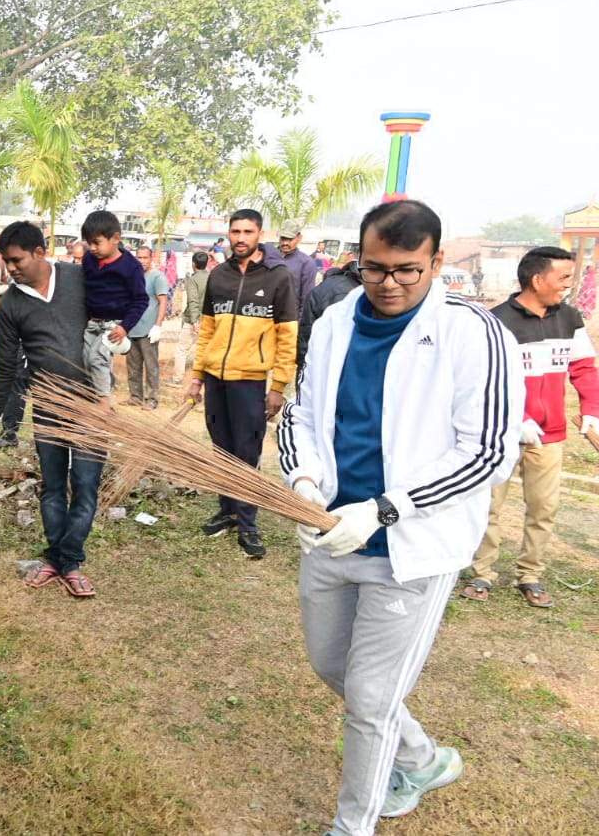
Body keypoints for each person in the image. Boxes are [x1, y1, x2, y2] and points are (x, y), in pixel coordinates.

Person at [276, 199, 522, 836]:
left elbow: (488, 451)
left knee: (371, 701)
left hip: (412, 549)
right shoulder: (335, 320)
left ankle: (352, 824)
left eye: (407, 270)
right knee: (332, 667)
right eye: (375, 267)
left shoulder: (475, 333)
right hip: (332, 535)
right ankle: (422, 759)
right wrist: (304, 483)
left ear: (435, 263)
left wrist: (386, 509)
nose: (389, 283)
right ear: (357, 260)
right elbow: (300, 414)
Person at [462, 247, 599, 608]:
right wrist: (516, 419)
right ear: (538, 280)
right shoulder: (496, 322)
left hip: (550, 436)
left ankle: (530, 575)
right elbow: (483, 381)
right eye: (563, 277)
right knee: (489, 505)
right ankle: (482, 572)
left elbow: (583, 367)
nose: (568, 285)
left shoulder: (569, 318)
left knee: (543, 508)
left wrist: (592, 409)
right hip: (501, 435)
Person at [0, 221, 103, 598]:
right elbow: (4, 365)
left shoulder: (79, 279)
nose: (11, 268)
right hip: (48, 403)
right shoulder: (12, 304)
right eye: (6, 261)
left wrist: (123, 334)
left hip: (91, 404)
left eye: (17, 260)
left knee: (85, 484)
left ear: (40, 253)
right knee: (52, 485)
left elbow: (117, 305)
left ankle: (66, 560)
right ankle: (63, 560)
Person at [185, 208, 296, 559]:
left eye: (248, 232)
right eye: (235, 231)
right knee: (221, 448)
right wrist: (197, 376)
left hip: (250, 381)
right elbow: (207, 331)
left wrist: (278, 386)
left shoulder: (278, 277)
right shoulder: (218, 275)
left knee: (247, 452)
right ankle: (227, 510)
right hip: (216, 378)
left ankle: (248, 522)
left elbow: (287, 336)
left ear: (260, 234)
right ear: (229, 234)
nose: (241, 238)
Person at [80, 210, 149, 409]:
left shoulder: (131, 267)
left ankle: (104, 402)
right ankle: (99, 397)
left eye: (97, 242)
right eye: (89, 243)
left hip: (114, 326)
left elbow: (141, 300)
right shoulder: (88, 260)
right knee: (86, 361)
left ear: (116, 238)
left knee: (96, 358)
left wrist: (125, 327)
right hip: (93, 323)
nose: (92, 248)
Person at [297, 251, 361, 370]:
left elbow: (306, 333)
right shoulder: (355, 292)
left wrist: (302, 366)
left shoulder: (326, 285)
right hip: (334, 367)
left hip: (315, 363)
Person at [126, 245, 169, 409]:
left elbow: (163, 301)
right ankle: (135, 396)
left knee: (151, 366)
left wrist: (158, 325)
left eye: (145, 257)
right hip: (132, 328)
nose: (142, 261)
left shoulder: (157, 277)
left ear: (151, 259)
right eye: (139, 257)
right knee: (133, 366)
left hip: (148, 330)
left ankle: (152, 399)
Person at [266, 219, 320, 311]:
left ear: (299, 238)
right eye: (283, 238)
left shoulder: (306, 263)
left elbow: (306, 298)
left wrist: (299, 319)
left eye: (290, 239)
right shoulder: (267, 257)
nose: (285, 243)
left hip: (289, 315)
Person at [174, 250, 211, 382]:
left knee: (181, 349)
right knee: (204, 349)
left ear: (193, 264)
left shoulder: (193, 280)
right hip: (208, 319)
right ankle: (204, 379)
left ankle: (177, 379)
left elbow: (193, 301)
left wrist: (195, 321)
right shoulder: (211, 278)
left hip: (193, 320)